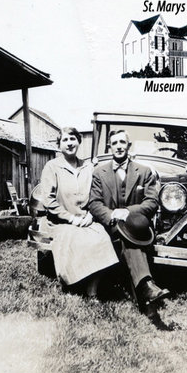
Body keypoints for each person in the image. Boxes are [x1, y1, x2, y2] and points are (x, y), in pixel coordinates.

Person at [89, 129, 170, 318]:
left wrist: (128, 212)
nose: (118, 146)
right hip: (110, 226)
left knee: (131, 239)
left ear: (129, 146)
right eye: (114, 143)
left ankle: (146, 293)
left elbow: (152, 202)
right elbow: (94, 203)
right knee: (130, 241)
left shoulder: (144, 171)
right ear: (110, 147)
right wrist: (111, 215)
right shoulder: (99, 173)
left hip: (135, 226)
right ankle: (147, 291)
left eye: (122, 143)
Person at [40, 126, 119, 296]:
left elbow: (97, 196)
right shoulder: (52, 167)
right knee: (74, 240)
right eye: (65, 140)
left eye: (72, 139)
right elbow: (49, 200)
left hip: (86, 218)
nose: (69, 143)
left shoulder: (88, 167)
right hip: (60, 221)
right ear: (59, 145)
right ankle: (72, 285)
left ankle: (92, 288)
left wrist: (91, 215)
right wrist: (70, 218)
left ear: (78, 142)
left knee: (102, 239)